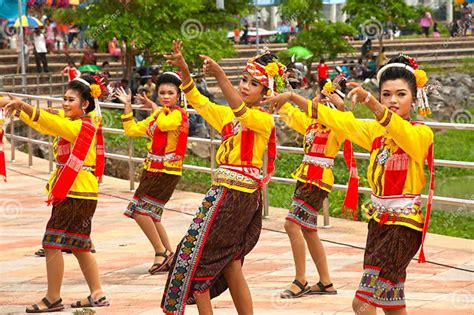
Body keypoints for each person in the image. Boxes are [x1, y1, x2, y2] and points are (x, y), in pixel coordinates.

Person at [266, 54, 434, 314]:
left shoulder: (421, 134)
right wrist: (290, 98)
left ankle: (310, 279)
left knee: (362, 303)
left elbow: (403, 133)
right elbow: (338, 120)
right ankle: (317, 279)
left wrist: (371, 103)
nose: (392, 101)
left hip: (404, 226)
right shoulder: (376, 133)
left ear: (414, 97)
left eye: (400, 94)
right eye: (386, 94)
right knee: (390, 303)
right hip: (378, 225)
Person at [161, 39, 278, 315]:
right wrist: (186, 72)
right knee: (230, 263)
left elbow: (240, 110)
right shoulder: (229, 117)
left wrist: (220, 76)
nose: (245, 86)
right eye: (244, 80)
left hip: (235, 196)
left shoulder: (263, 120)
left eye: (254, 83)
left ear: (266, 93)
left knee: (197, 260)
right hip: (226, 193)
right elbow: (200, 102)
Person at [1, 76, 110, 313]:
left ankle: (53, 297)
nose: (65, 103)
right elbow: (45, 122)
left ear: (85, 104)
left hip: (76, 192)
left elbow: (50, 124)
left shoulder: (81, 126)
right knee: (80, 245)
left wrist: (22, 106)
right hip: (83, 193)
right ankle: (97, 294)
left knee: (52, 243)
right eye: (64, 98)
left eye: (71, 100)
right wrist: (11, 104)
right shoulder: (76, 122)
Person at [270, 79, 359, 299]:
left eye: (324, 97)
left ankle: (300, 280)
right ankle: (326, 282)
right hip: (305, 178)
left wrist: (341, 107)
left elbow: (346, 120)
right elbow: (289, 113)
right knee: (308, 230)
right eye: (319, 95)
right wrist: (274, 88)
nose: (318, 99)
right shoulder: (311, 124)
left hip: (318, 182)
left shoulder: (337, 126)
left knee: (291, 224)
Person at [115, 72, 189, 275]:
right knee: (152, 214)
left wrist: (155, 109)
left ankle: (160, 252)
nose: (165, 96)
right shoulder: (160, 114)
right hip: (152, 170)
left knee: (140, 212)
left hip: (167, 171)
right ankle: (169, 254)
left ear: (178, 95)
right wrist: (127, 104)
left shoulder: (178, 114)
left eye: (170, 93)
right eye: (162, 93)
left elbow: (166, 125)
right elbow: (131, 129)